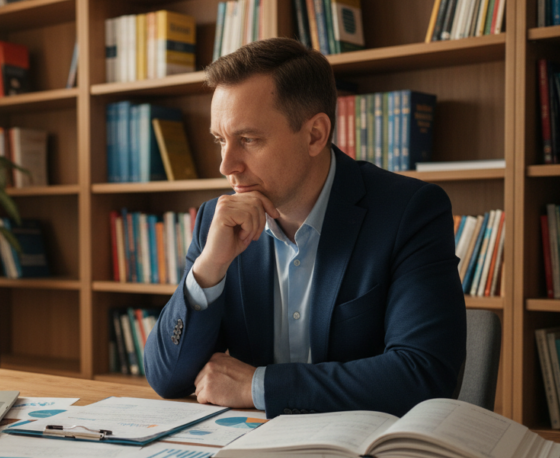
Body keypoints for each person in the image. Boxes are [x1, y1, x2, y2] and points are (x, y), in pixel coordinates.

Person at [143, 38, 466, 418]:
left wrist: (258, 385)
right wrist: (209, 268)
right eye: (220, 141)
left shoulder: (409, 212)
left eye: (248, 140)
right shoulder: (218, 220)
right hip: (253, 453)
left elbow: (426, 376)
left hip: (363, 457)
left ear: (315, 134)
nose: (226, 165)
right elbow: (166, 377)